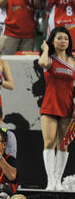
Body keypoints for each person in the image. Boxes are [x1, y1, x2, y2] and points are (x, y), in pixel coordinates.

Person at [39, 26, 74, 190]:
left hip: (67, 105)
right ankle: (50, 181)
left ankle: (58, 182)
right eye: (59, 38)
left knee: (63, 143)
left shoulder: (73, 61)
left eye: (66, 38)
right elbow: (42, 62)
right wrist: (45, 48)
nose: (63, 41)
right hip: (50, 104)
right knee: (49, 142)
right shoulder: (50, 58)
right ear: (52, 41)